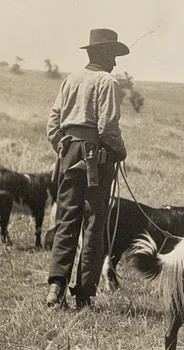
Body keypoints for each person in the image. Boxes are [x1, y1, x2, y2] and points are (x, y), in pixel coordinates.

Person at [45, 28, 129, 309]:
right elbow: (106, 127)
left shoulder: (71, 79)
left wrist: (64, 147)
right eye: (113, 56)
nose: (115, 63)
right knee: (94, 225)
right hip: (98, 159)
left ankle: (55, 289)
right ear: (103, 54)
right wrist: (120, 150)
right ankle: (83, 295)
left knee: (66, 221)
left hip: (69, 157)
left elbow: (53, 124)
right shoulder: (107, 82)